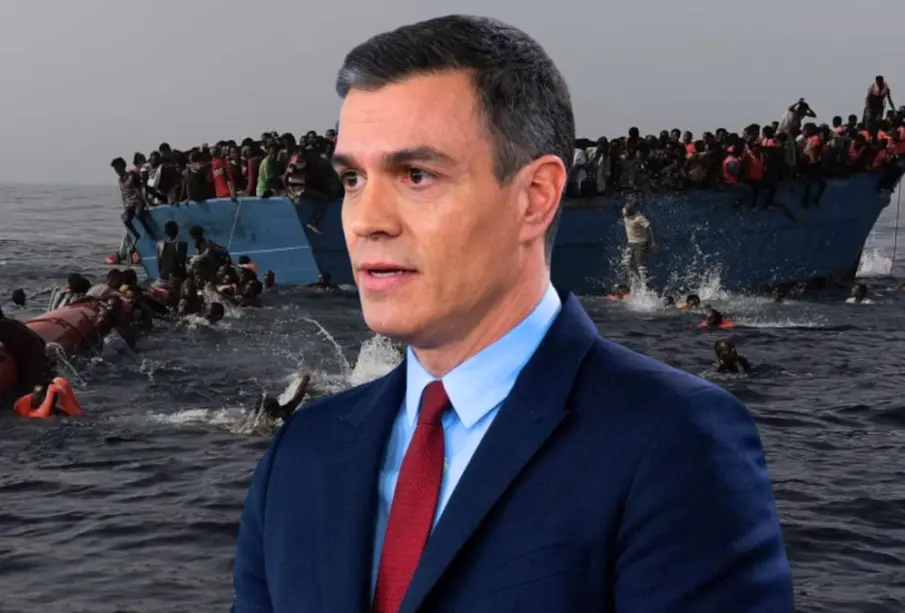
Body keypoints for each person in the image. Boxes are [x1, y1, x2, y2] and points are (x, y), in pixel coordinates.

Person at [231, 15, 792, 613]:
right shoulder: (300, 453)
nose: (367, 220)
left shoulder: (674, 441)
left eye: (416, 175)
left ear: (535, 197)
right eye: (352, 178)